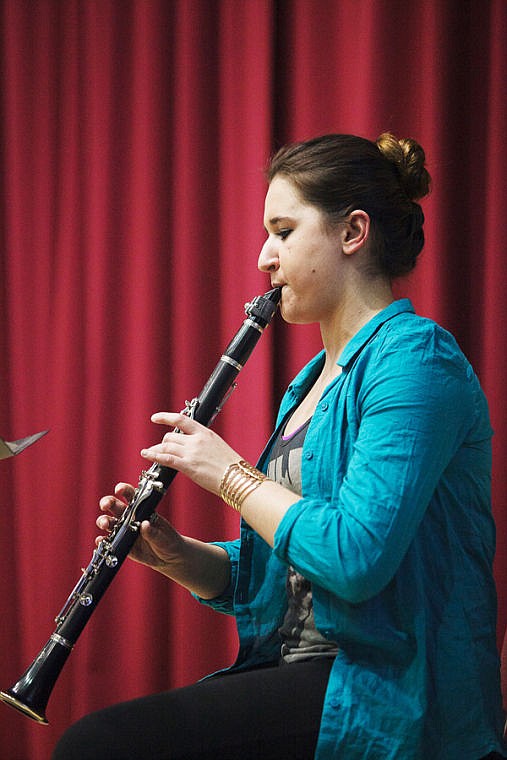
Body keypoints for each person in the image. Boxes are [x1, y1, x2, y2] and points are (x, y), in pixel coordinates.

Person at [52, 133, 506, 759]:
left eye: (283, 231)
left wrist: (232, 476)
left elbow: (354, 557)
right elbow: (285, 577)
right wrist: (178, 556)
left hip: (386, 688)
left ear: (353, 232)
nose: (264, 256)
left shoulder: (416, 361)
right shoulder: (310, 384)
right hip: (300, 670)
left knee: (97, 746)